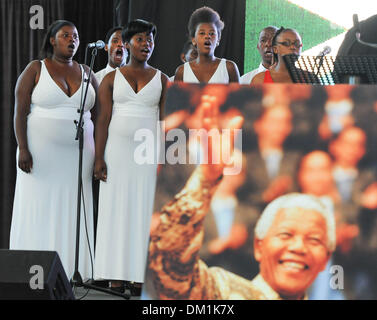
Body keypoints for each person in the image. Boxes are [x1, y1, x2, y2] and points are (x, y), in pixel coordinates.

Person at [147, 104, 334, 300]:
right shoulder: (223, 292)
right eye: (286, 234)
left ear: (326, 258)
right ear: (258, 246)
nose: (298, 247)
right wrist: (205, 180)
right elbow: (170, 267)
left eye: (314, 240)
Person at [10, 20, 98, 280]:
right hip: (39, 154)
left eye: (76, 36)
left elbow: (102, 112)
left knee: (74, 206)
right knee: (40, 205)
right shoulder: (35, 69)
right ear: (52, 40)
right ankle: (32, 267)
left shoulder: (86, 71)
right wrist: (23, 148)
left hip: (79, 155)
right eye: (66, 35)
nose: (72, 40)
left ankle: (75, 267)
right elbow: (19, 112)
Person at [93, 19, 168, 295]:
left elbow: (166, 123)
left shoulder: (163, 79)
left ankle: (139, 276)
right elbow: (102, 120)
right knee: (116, 209)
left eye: (150, 40)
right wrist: (98, 158)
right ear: (127, 44)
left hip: (148, 155)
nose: (146, 44)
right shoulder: (111, 79)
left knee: (144, 212)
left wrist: (166, 160)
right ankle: (114, 275)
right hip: (117, 153)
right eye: (140, 39)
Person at [174, 6, 240, 83]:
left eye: (212, 33)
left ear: (218, 39)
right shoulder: (182, 72)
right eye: (202, 33)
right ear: (193, 39)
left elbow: (237, 95)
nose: (207, 36)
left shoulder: (229, 68)